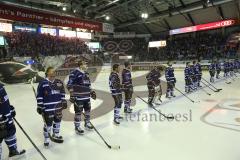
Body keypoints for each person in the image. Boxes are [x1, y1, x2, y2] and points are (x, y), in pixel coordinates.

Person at [36, 67, 67, 146]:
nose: (53, 73)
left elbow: (62, 92)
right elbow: (39, 96)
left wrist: (63, 101)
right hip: (48, 108)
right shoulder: (42, 83)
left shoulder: (59, 82)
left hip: (58, 107)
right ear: (47, 73)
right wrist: (40, 106)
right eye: (51, 72)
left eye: (54, 72)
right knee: (48, 124)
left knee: (57, 122)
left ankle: (56, 134)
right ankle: (46, 138)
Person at [67, 60, 96, 134]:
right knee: (78, 112)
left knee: (88, 110)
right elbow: (69, 84)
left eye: (86, 64)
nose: (86, 65)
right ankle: (77, 126)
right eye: (85, 64)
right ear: (80, 65)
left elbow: (88, 84)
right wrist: (72, 94)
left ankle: (87, 123)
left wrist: (91, 91)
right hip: (79, 97)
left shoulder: (86, 73)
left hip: (87, 96)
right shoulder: (74, 73)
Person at [0, 84, 25, 158]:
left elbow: (5, 100)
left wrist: (10, 109)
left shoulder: (1, 86)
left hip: (6, 116)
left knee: (10, 132)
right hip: (1, 118)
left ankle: (13, 151)